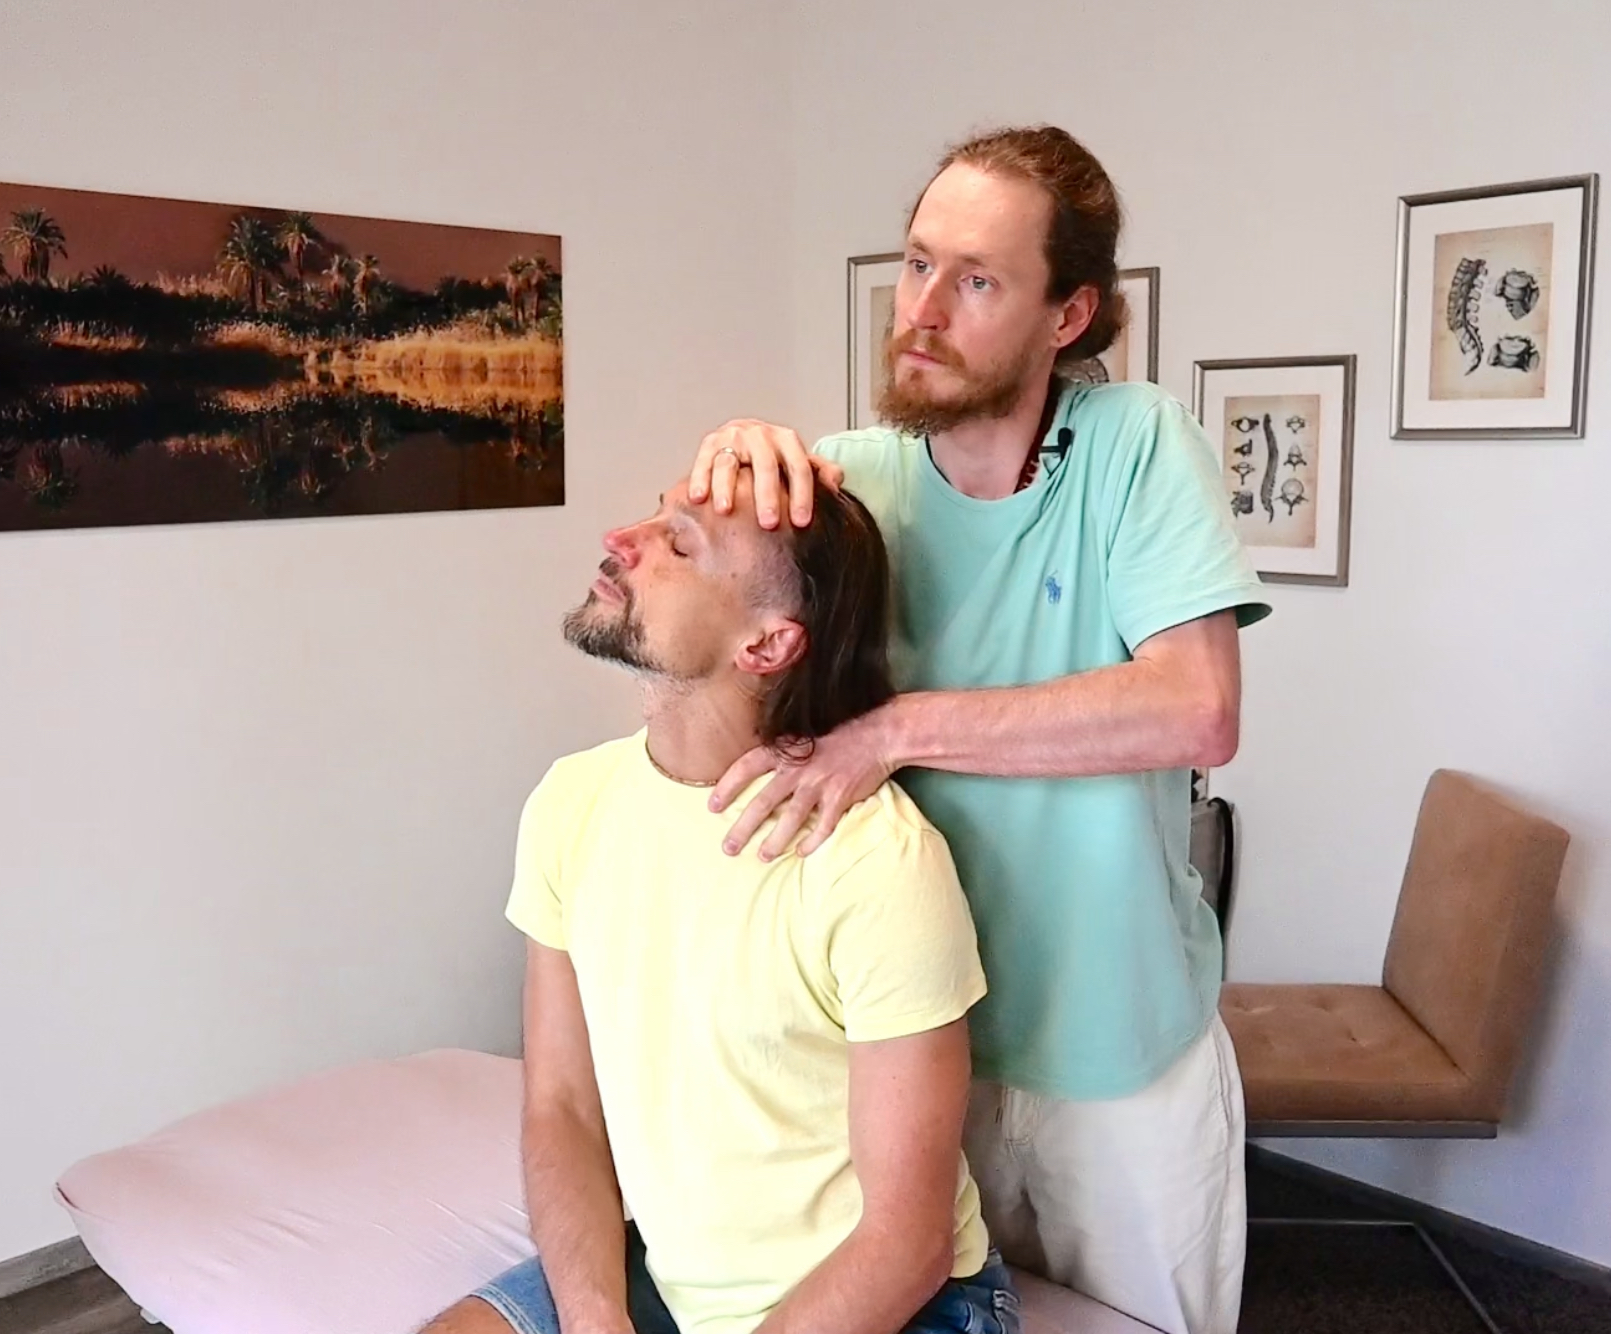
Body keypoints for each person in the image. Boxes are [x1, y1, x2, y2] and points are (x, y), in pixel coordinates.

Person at [686, 124, 1272, 1334]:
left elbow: (1197, 706)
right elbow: (705, 645)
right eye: (917, 264)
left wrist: (894, 728)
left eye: (978, 281)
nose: (922, 309)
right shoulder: (846, 480)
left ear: (1068, 314)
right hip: (911, 1051)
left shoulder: (1136, 444)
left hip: (1120, 1062)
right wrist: (726, 472)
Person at [422, 469, 1020, 1334]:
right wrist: (594, 1319)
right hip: (677, 1280)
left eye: (679, 543)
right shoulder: (570, 803)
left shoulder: (875, 862)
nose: (622, 540)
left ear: (766, 645)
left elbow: (907, 1243)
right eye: (656, 515)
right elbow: (562, 1108)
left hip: (902, 1302)